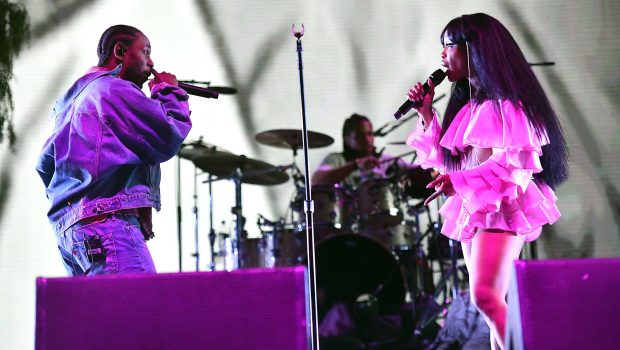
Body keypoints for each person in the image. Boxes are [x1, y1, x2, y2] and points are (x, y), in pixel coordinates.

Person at [405, 13, 568, 349]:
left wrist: (459, 181)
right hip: (473, 207)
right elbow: (446, 160)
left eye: (449, 45)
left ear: (474, 49)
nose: (443, 55)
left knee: (486, 297)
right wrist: (425, 114)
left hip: (502, 207)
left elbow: (510, 168)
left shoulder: (509, 107)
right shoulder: (469, 107)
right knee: (490, 302)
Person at [36, 25, 192, 276]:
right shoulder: (113, 89)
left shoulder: (71, 101)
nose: (151, 63)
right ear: (120, 50)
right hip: (107, 227)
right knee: (141, 310)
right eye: (146, 53)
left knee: (102, 315)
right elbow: (167, 134)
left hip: (72, 235)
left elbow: (44, 165)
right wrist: (168, 91)